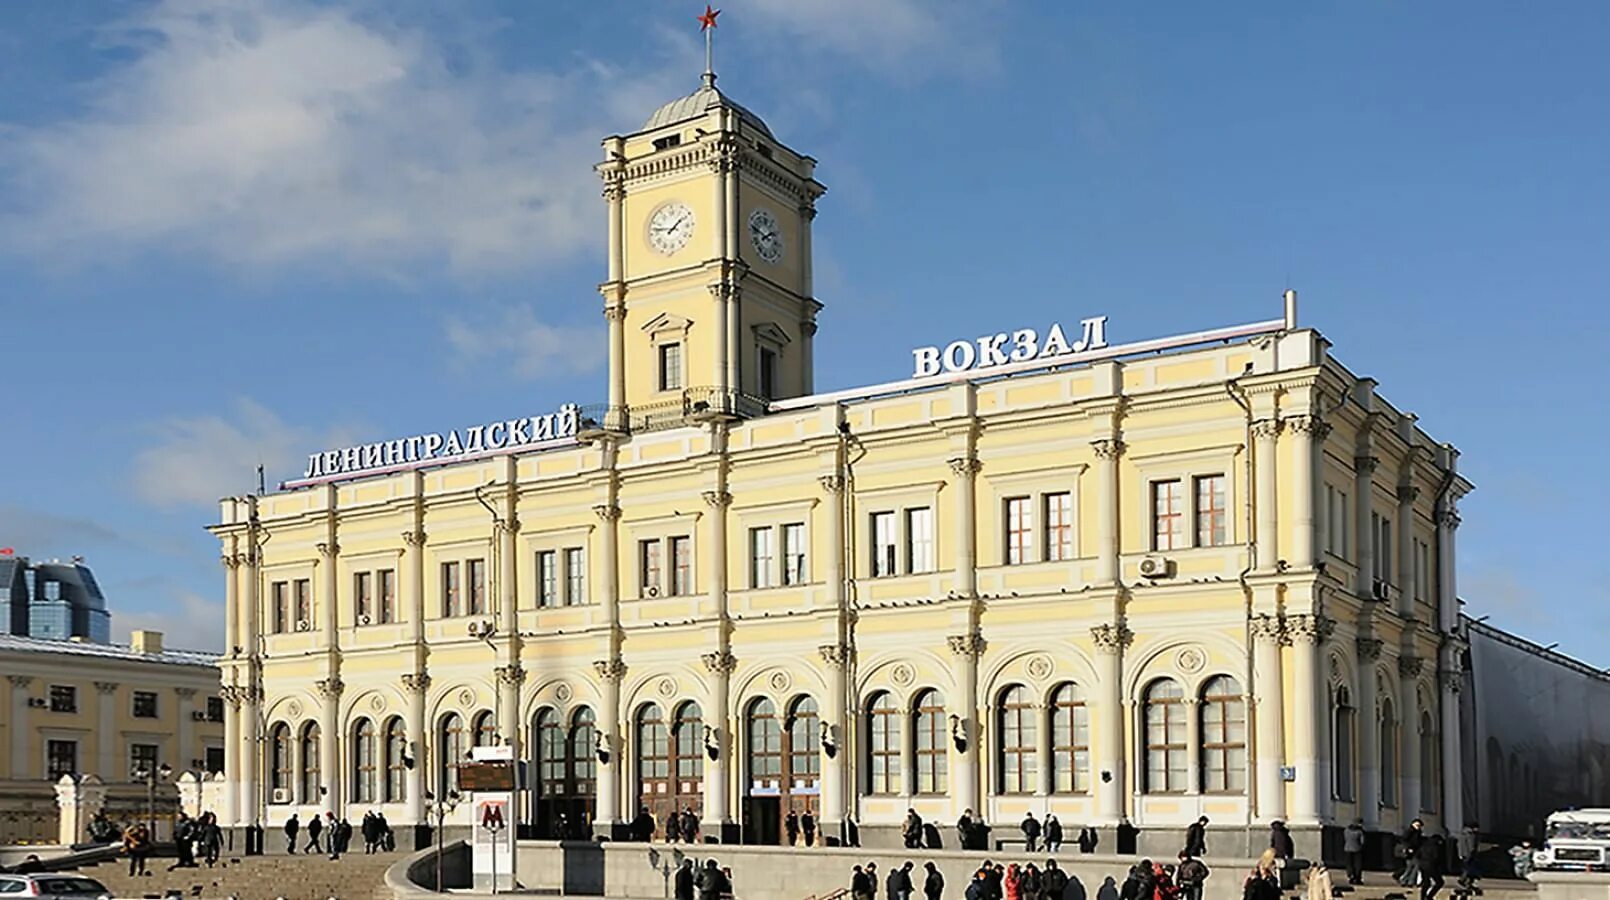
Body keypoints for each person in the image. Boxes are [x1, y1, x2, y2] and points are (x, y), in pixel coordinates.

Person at [1400, 819, 1426, 887]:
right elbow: (1404, 840)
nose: (1418, 827)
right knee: (1412, 866)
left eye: (1419, 826)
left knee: (1414, 866)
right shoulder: (1409, 831)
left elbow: (1419, 842)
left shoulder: (1419, 832)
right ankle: (1406, 881)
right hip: (1409, 852)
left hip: (1416, 852)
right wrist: (1408, 848)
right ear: (1413, 824)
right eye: (1417, 825)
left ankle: (1408, 881)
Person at [1420, 834, 1446, 900]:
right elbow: (1437, 857)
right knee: (1439, 882)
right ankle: (1429, 896)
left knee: (1426, 883)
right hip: (1431, 866)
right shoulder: (1436, 846)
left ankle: (1422, 897)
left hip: (1423, 865)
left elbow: (1418, 854)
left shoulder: (1424, 844)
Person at [1343, 820, 1366, 886]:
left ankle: (1351, 875)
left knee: (1349, 864)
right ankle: (1357, 877)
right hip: (1357, 849)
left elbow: (1345, 838)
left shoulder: (1346, 830)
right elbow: (1362, 841)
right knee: (1358, 864)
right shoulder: (1359, 832)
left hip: (1347, 849)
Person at [1458, 824, 1480, 889]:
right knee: (1469, 869)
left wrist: (1460, 854)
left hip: (1463, 854)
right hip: (1469, 854)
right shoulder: (1471, 835)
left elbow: (1459, 845)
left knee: (1467, 868)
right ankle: (1463, 880)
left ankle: (1467, 882)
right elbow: (1471, 846)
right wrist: (1473, 852)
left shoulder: (1462, 834)